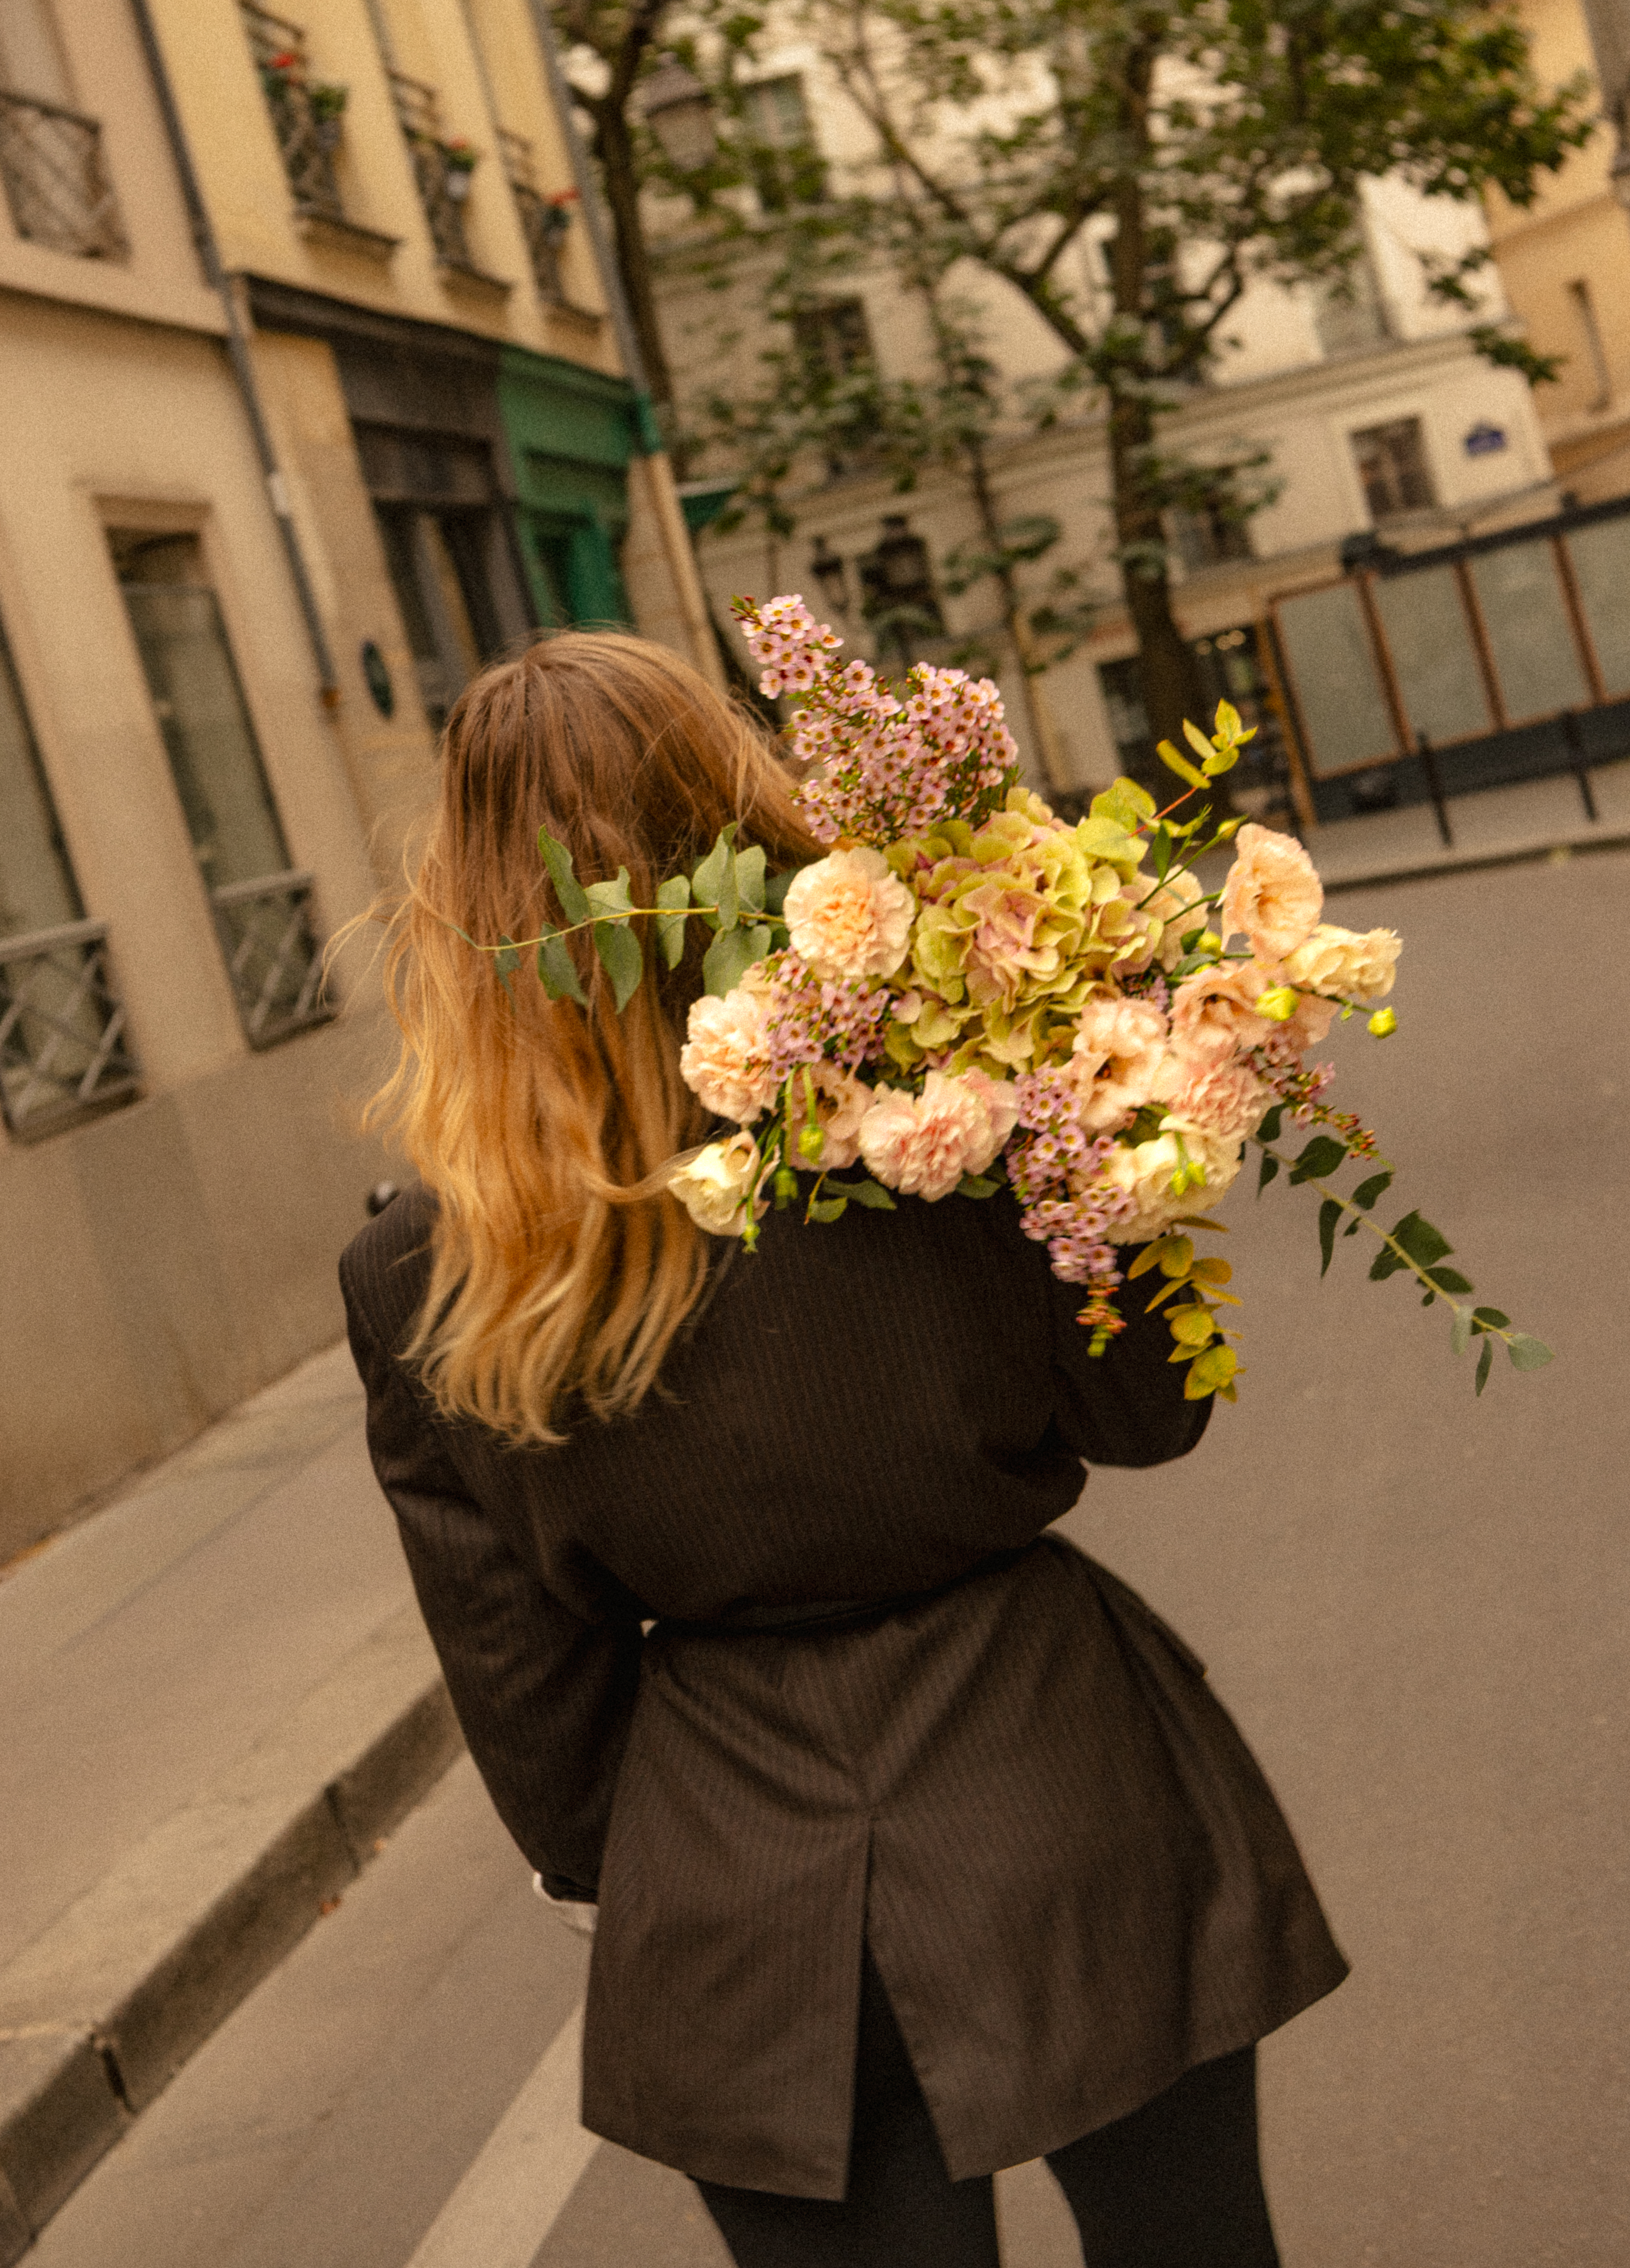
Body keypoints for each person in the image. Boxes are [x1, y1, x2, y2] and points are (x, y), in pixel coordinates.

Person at [340, 632, 1348, 2268]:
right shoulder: (945, 1095)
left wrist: (657, 1868)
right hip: (1057, 1771)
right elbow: (1148, 1416)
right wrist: (1110, 1108)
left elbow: (526, 1681)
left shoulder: (424, 1267)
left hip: (737, 1872)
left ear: (468, 907)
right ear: (743, 823)